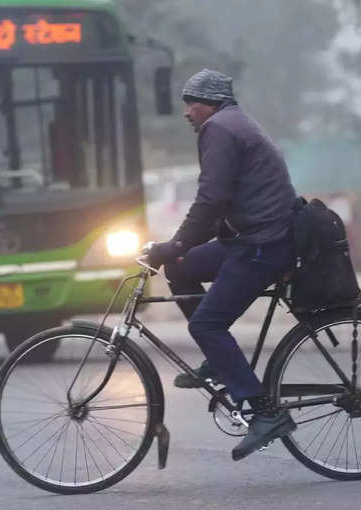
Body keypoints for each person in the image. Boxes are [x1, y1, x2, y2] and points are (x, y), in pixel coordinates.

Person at [146, 69, 297, 461]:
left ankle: (265, 413)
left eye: (190, 103)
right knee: (180, 267)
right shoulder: (235, 123)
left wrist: (174, 242)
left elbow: (211, 200)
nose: (186, 113)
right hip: (251, 239)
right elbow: (220, 205)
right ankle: (219, 359)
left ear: (208, 103)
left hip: (262, 246)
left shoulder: (219, 129)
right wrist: (177, 250)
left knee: (206, 324)